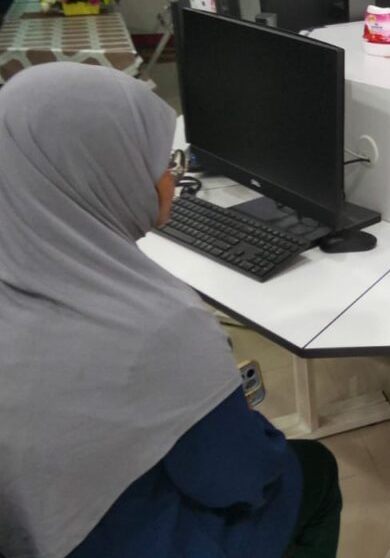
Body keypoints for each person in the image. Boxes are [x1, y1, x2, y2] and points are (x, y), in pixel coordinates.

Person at [0, 63, 341, 558]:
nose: (172, 178)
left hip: (39, 534)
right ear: (103, 173)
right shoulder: (156, 325)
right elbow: (239, 480)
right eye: (161, 163)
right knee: (314, 469)